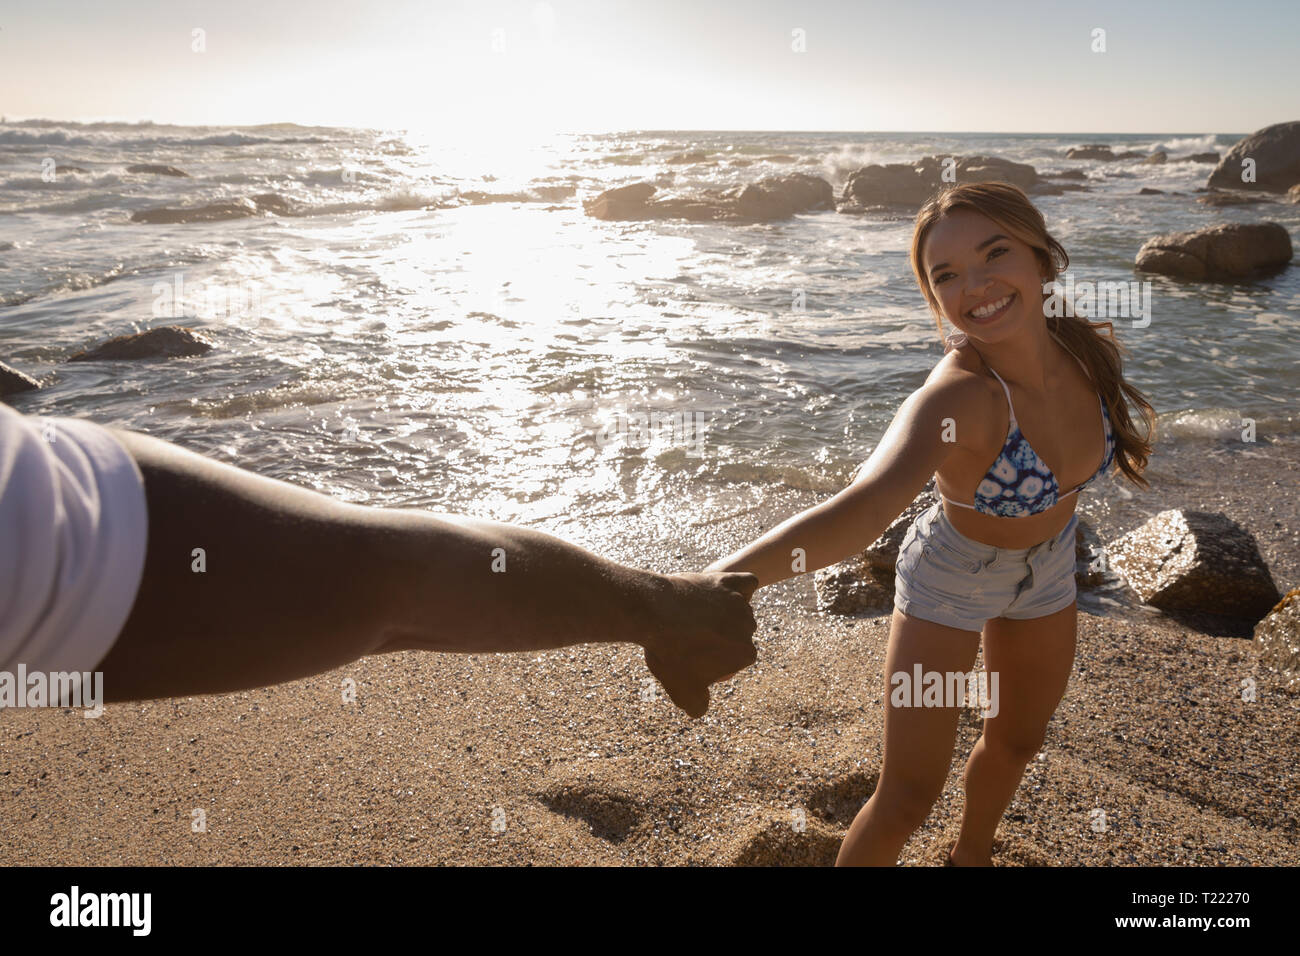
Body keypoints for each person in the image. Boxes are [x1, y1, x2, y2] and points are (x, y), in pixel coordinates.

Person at [705, 182, 1156, 866]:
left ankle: (970, 857)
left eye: (994, 254)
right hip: (952, 580)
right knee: (909, 796)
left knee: (1016, 743)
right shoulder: (959, 398)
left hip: (1051, 570)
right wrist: (721, 583)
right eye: (946, 275)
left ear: (1041, 257)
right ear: (934, 296)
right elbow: (863, 507)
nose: (975, 286)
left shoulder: (1085, 351)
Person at [0, 401, 759, 720]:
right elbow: (385, 574)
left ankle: (667, 608)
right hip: (45, 551)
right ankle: (670, 609)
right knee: (385, 584)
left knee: (385, 591)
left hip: (42, 542)